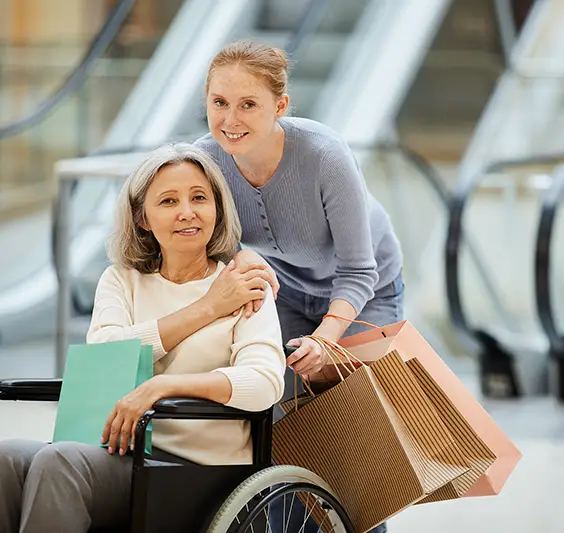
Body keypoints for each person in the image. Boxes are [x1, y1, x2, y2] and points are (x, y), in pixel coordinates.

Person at [0, 144, 286, 533]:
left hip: (193, 468)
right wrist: (207, 308)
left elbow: (264, 382)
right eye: (168, 201)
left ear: (218, 210)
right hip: (120, 452)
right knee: (5, 457)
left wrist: (162, 386)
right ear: (143, 218)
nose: (187, 212)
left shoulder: (244, 286)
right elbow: (107, 354)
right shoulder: (121, 280)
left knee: (57, 461)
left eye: (199, 198)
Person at [195, 39, 405, 533]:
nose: (231, 119)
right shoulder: (205, 160)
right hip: (286, 291)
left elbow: (359, 269)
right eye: (219, 102)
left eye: (249, 104)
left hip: (368, 290)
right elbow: (205, 241)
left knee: (353, 433)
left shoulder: (324, 155)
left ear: (281, 106)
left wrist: (326, 340)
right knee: (283, 421)